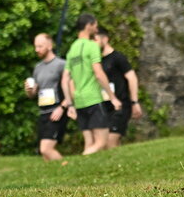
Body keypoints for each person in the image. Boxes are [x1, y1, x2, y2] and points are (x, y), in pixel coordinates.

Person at [62, 14, 121, 155]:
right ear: (88, 26)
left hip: (79, 101)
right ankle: (79, 162)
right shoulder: (92, 46)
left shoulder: (72, 49)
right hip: (93, 99)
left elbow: (65, 80)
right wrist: (112, 97)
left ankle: (88, 170)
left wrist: (70, 104)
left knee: (89, 143)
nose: (97, 28)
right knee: (102, 142)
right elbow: (99, 73)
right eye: (95, 25)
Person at [94, 28, 144, 149]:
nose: (93, 44)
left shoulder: (118, 57)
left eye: (95, 40)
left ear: (104, 39)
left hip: (120, 106)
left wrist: (134, 102)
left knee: (111, 141)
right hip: (104, 106)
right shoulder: (97, 61)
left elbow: (132, 78)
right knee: (106, 145)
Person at [25, 33, 68, 161]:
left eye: (40, 46)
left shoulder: (61, 64)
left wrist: (62, 107)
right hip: (43, 112)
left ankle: (66, 169)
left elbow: (71, 89)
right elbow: (33, 94)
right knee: (44, 153)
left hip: (57, 111)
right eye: (35, 46)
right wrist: (28, 90)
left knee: (46, 148)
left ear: (49, 46)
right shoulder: (37, 68)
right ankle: (54, 179)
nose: (36, 49)